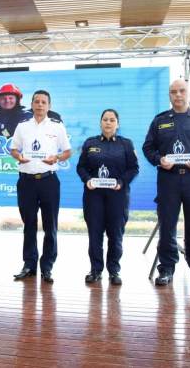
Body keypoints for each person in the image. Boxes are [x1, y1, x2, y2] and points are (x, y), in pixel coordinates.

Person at [142, 79, 190, 290]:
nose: (178, 95)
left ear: (189, 93)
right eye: (173, 92)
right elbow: (148, 148)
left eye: (182, 91)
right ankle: (166, 268)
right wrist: (159, 160)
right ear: (169, 95)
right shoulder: (160, 121)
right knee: (167, 225)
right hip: (168, 179)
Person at [10, 90, 71, 283]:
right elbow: (13, 149)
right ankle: (29, 265)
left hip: (49, 181)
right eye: (36, 101)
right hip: (26, 181)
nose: (40, 105)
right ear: (31, 104)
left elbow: (67, 151)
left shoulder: (57, 126)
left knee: (50, 226)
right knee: (29, 225)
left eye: (44, 102)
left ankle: (47, 267)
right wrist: (18, 156)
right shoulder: (22, 127)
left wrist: (57, 157)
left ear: (49, 106)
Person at [76, 109, 139, 285]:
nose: (108, 123)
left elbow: (134, 168)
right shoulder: (90, 143)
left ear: (117, 124)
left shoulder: (126, 144)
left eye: (112, 120)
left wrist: (122, 182)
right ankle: (95, 270)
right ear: (100, 122)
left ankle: (114, 271)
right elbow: (81, 167)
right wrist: (87, 180)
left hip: (117, 196)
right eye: (105, 119)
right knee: (95, 234)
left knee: (115, 234)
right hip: (93, 196)